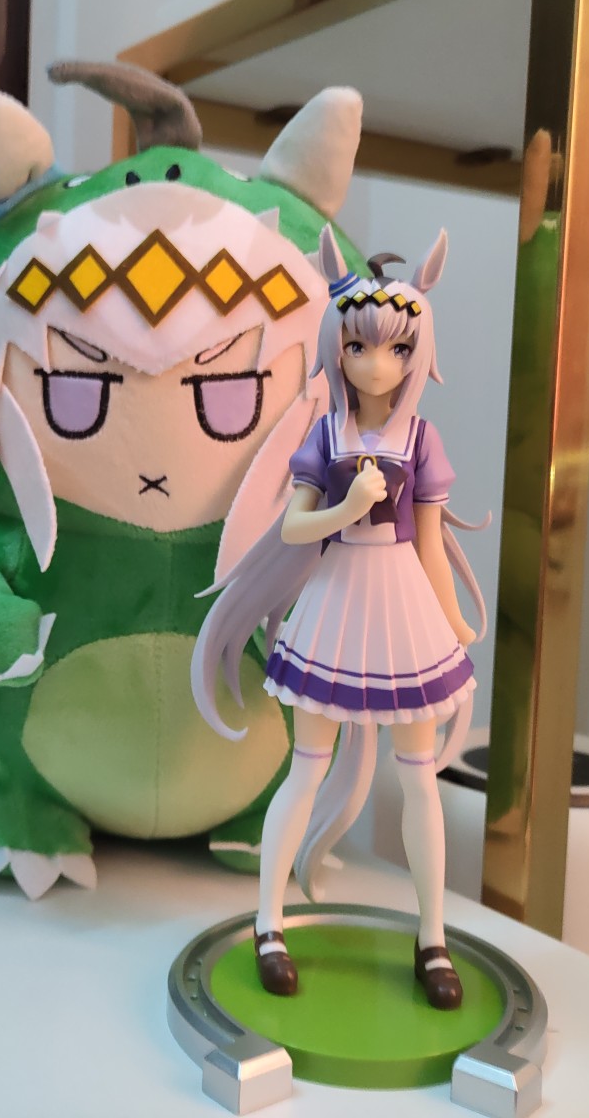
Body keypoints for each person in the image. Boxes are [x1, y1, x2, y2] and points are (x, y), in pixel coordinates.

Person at [191, 224, 487, 1010]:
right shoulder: (325, 434)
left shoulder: (421, 437)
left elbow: (430, 543)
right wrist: (346, 507)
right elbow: (292, 528)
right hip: (334, 603)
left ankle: (432, 938)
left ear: (416, 353)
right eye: (358, 346)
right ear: (338, 348)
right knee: (307, 768)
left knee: (418, 779)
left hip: (403, 608)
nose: (375, 363)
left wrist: (453, 621)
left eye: (394, 348)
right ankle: (269, 923)